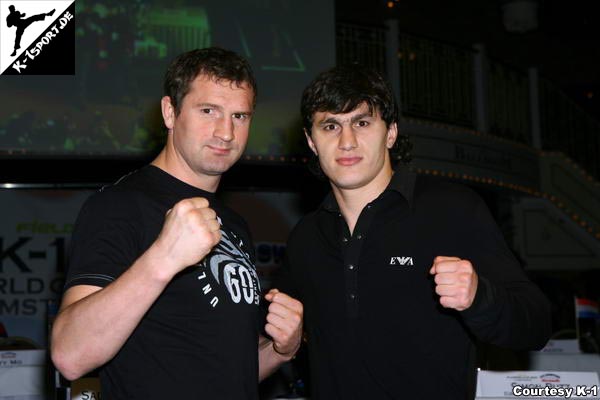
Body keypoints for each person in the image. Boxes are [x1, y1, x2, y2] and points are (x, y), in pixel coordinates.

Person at [275, 64, 552, 399]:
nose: (347, 141)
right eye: (331, 126)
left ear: (390, 132)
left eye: (362, 122)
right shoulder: (306, 238)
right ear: (311, 141)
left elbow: (536, 325)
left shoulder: (452, 209)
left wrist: (480, 297)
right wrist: (285, 340)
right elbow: (280, 336)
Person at [51, 47, 303, 399]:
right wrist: (163, 259)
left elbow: (227, 373)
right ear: (170, 112)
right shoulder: (120, 205)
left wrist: (280, 350)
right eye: (208, 111)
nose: (226, 132)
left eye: (240, 116)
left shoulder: (234, 223)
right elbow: (70, 355)